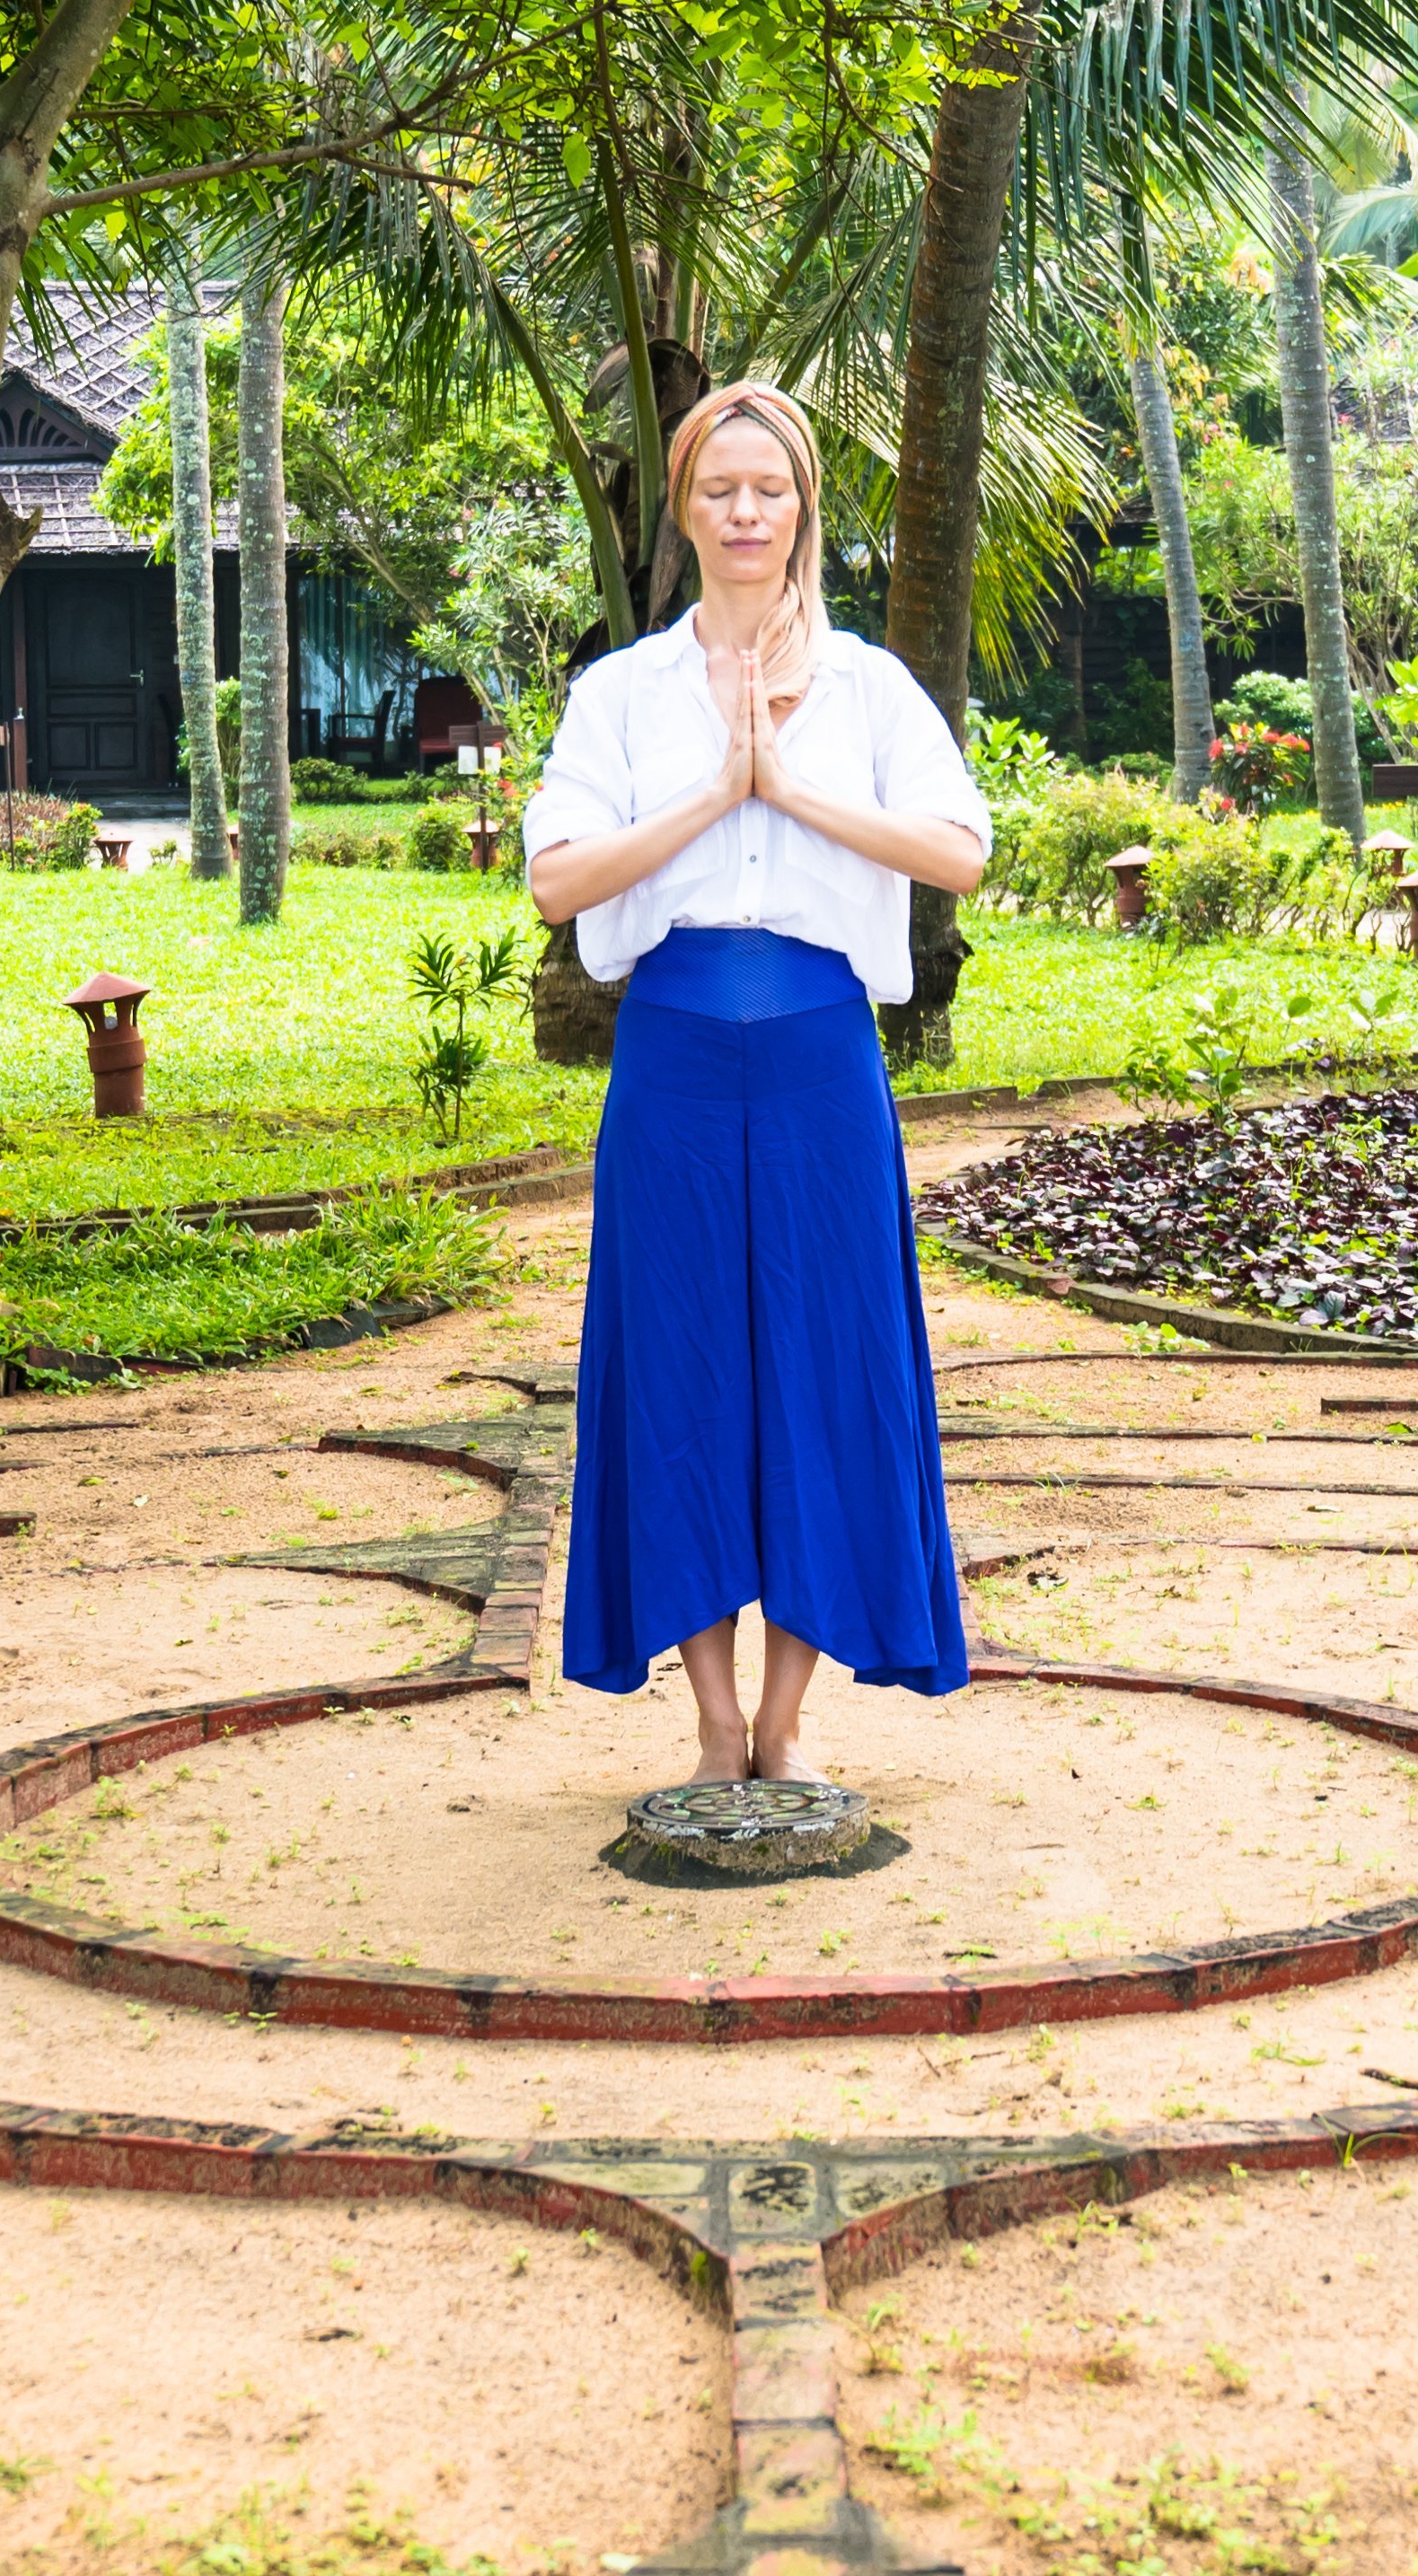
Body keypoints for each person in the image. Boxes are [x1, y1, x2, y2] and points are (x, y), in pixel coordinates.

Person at [522, 382, 991, 1789]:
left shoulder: (866, 685)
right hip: (667, 1059)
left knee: (823, 1366)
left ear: (800, 509)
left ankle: (787, 1720)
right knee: (680, 1372)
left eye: (769, 491)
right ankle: (713, 1722)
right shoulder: (618, 692)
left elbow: (957, 850)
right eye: (719, 490)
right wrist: (715, 790)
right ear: (684, 505)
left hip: (817, 1063)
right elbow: (555, 875)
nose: (745, 514)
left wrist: (787, 787)